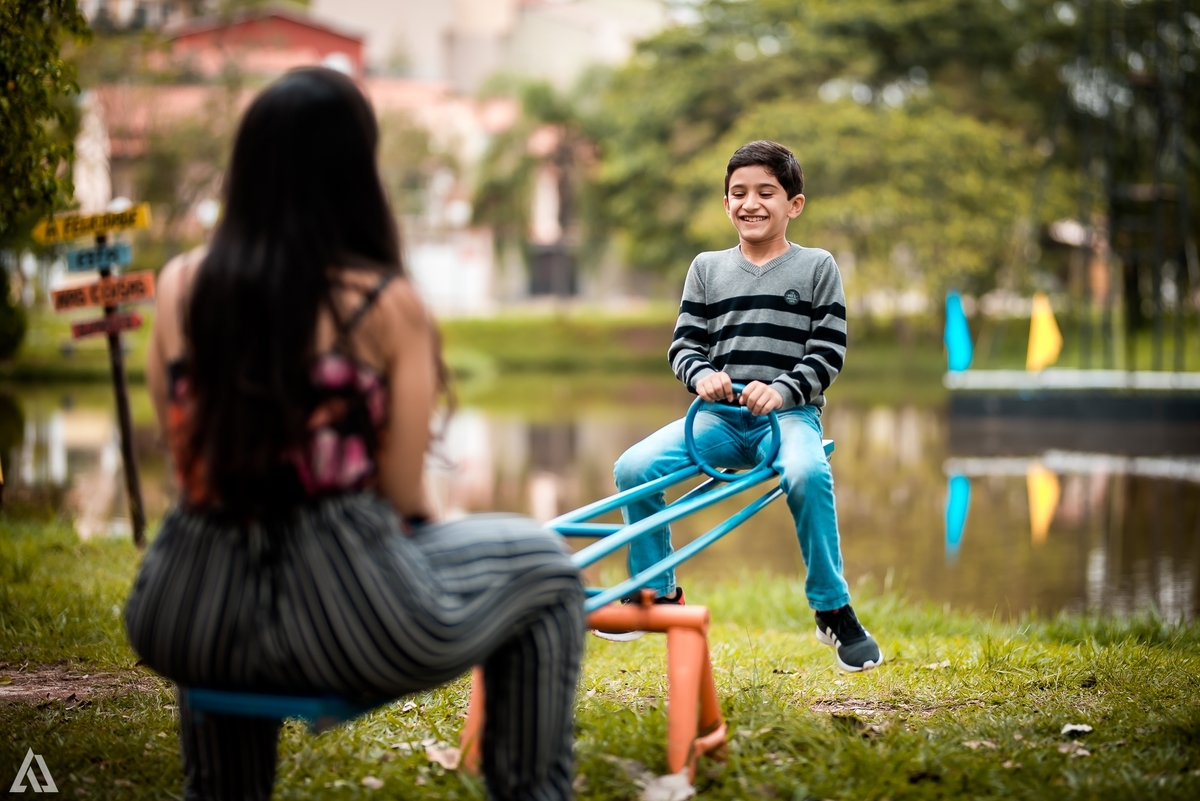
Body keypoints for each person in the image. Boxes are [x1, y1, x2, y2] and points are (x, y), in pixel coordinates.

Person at [124, 67, 584, 801]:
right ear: (355, 174)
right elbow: (401, 492)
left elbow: (184, 461)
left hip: (184, 607)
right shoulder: (384, 302)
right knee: (549, 568)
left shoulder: (179, 285)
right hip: (344, 612)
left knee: (226, 610)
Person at [598, 140, 883, 673]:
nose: (750, 203)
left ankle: (832, 607)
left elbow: (829, 350)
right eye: (738, 193)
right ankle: (655, 593)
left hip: (788, 417)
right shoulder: (707, 268)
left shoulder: (817, 266)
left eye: (765, 192)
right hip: (717, 422)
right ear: (726, 203)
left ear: (793, 204)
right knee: (634, 467)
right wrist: (701, 374)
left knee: (806, 472)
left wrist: (782, 391)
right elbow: (684, 345)